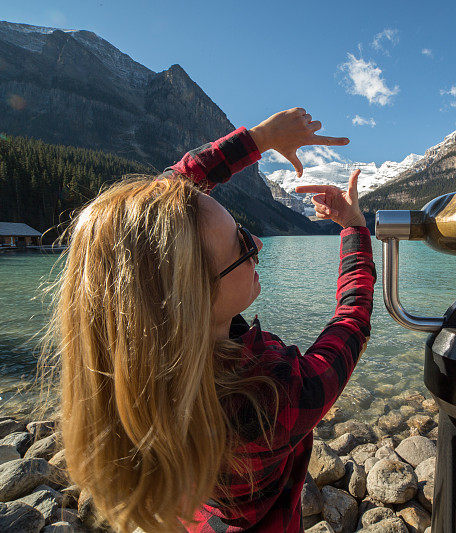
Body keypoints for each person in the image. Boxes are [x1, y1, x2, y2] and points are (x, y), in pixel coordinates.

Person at [47, 107, 376, 532]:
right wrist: (353, 227)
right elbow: (351, 321)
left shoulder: (133, 366)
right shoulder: (272, 396)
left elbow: (160, 205)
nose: (257, 242)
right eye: (241, 243)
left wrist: (259, 138)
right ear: (196, 297)